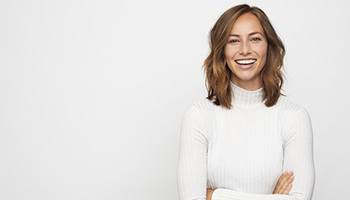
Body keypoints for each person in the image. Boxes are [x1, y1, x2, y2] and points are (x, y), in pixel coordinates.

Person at [177, 4, 315, 200]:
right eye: (233, 41)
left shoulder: (294, 117)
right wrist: (273, 197)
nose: (244, 50)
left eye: (255, 39)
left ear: (269, 45)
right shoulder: (199, 116)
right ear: (221, 50)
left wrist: (214, 195)